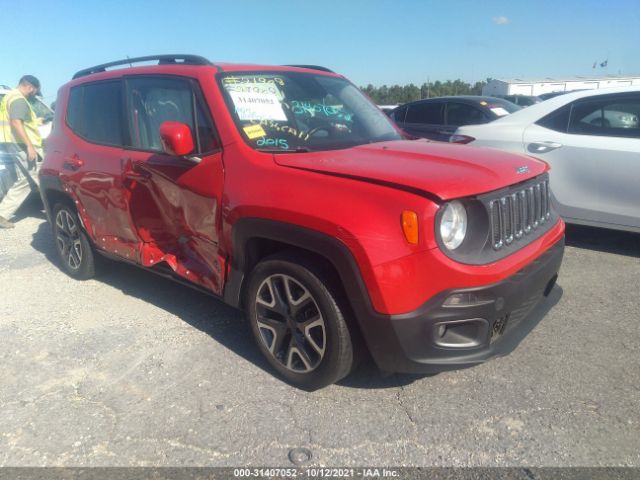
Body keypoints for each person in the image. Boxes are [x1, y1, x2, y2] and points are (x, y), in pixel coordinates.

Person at [0, 75, 44, 228]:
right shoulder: (18, 99)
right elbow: (15, 122)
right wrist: (29, 146)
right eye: (34, 91)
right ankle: (56, 210)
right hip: (22, 145)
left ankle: (2, 214)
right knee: (40, 176)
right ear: (30, 87)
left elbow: (16, 121)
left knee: (26, 180)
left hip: (12, 143)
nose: (33, 94)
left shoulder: (9, 97)